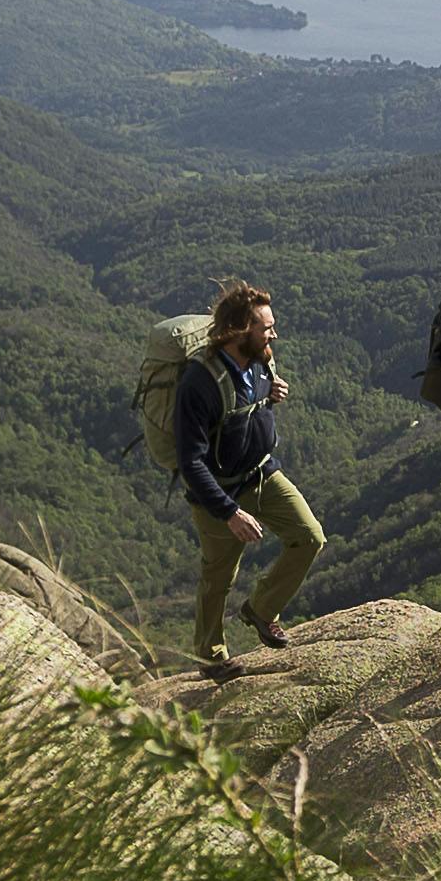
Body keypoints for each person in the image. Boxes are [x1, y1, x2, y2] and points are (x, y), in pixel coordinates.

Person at [172, 279, 317, 676]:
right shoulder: (198, 384)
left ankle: (261, 609)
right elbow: (191, 461)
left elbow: (247, 408)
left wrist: (271, 396)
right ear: (239, 331)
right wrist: (229, 512)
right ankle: (210, 655)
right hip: (218, 491)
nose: (274, 334)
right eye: (266, 327)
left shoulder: (260, 360)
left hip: (263, 474)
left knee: (309, 537)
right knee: (219, 576)